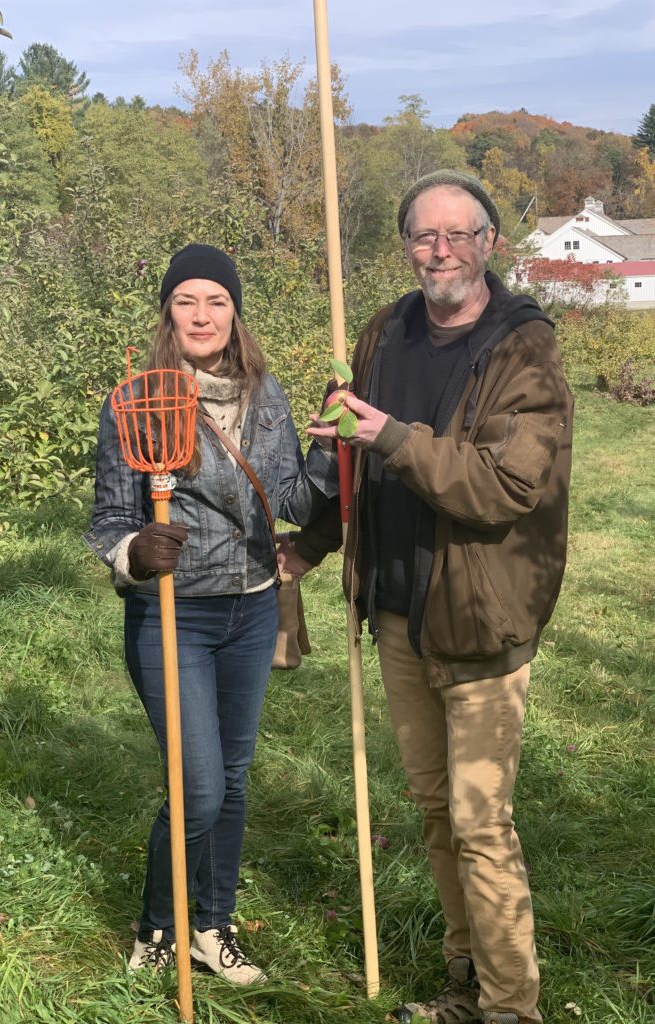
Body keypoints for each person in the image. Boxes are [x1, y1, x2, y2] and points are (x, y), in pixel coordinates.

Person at [278, 170, 573, 1024]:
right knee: (437, 814)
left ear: (490, 244)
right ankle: (465, 983)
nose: (438, 251)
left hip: (481, 622)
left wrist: (392, 437)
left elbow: (503, 485)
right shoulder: (382, 334)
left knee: (482, 823)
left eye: (457, 234)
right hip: (399, 614)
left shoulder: (526, 348)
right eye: (422, 235)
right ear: (406, 244)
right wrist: (313, 545)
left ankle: (513, 1008)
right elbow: (351, 460)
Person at [84, 244, 337, 983]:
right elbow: (107, 520)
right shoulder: (135, 402)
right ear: (168, 310)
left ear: (235, 312)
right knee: (194, 784)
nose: (202, 315)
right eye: (187, 300)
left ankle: (212, 924)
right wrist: (136, 549)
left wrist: (327, 446)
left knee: (230, 779)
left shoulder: (268, 395)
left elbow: (290, 500)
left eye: (216, 301)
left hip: (253, 609)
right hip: (174, 614)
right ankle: (159, 924)